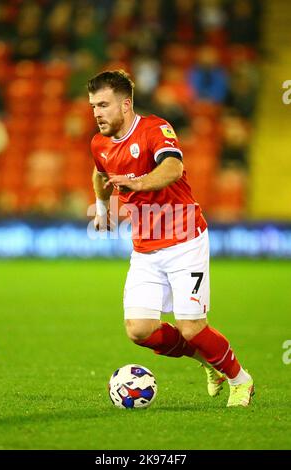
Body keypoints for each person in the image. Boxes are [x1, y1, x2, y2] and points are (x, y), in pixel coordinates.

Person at [88, 70, 254, 407]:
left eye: (103, 105)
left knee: (191, 327)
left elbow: (173, 168)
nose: (97, 113)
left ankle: (240, 379)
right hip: (145, 249)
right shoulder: (99, 143)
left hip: (184, 242)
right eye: (93, 106)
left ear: (125, 104)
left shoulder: (155, 128)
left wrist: (137, 183)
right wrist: (103, 207)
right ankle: (209, 362)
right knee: (139, 330)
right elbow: (99, 170)